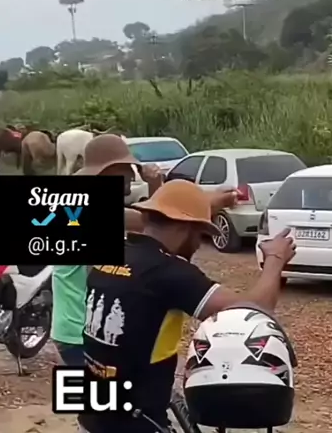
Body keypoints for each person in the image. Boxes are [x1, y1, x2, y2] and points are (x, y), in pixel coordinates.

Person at [79, 179, 295, 433]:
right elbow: (254, 311)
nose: (198, 245)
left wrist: (203, 204)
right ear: (186, 228)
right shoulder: (168, 272)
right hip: (135, 424)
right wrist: (275, 259)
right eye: (200, 235)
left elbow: (165, 218)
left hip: (93, 414)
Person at [52, 134, 237, 367]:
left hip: (81, 326)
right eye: (127, 169)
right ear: (110, 172)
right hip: (80, 330)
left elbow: (157, 223)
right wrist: (210, 202)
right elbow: (160, 222)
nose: (132, 176)